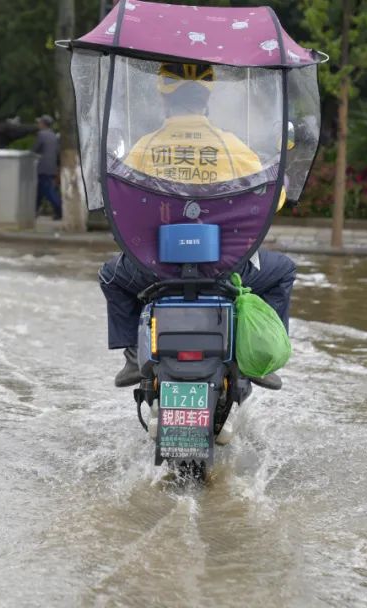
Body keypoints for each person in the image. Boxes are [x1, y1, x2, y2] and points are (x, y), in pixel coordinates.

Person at [99, 62, 296, 390]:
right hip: (225, 271)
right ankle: (257, 359)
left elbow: (117, 202)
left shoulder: (145, 147)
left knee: (110, 275)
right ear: (208, 98)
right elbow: (272, 201)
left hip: (153, 271)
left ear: (164, 100)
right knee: (283, 271)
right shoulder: (232, 147)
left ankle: (134, 357)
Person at [32, 115, 63, 220]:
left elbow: (35, 149)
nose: (38, 124)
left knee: (48, 191)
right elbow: (58, 152)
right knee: (40, 191)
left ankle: (60, 209)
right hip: (51, 167)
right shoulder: (54, 136)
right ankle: (34, 211)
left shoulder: (41, 135)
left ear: (43, 124)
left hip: (43, 167)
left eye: (39, 122)